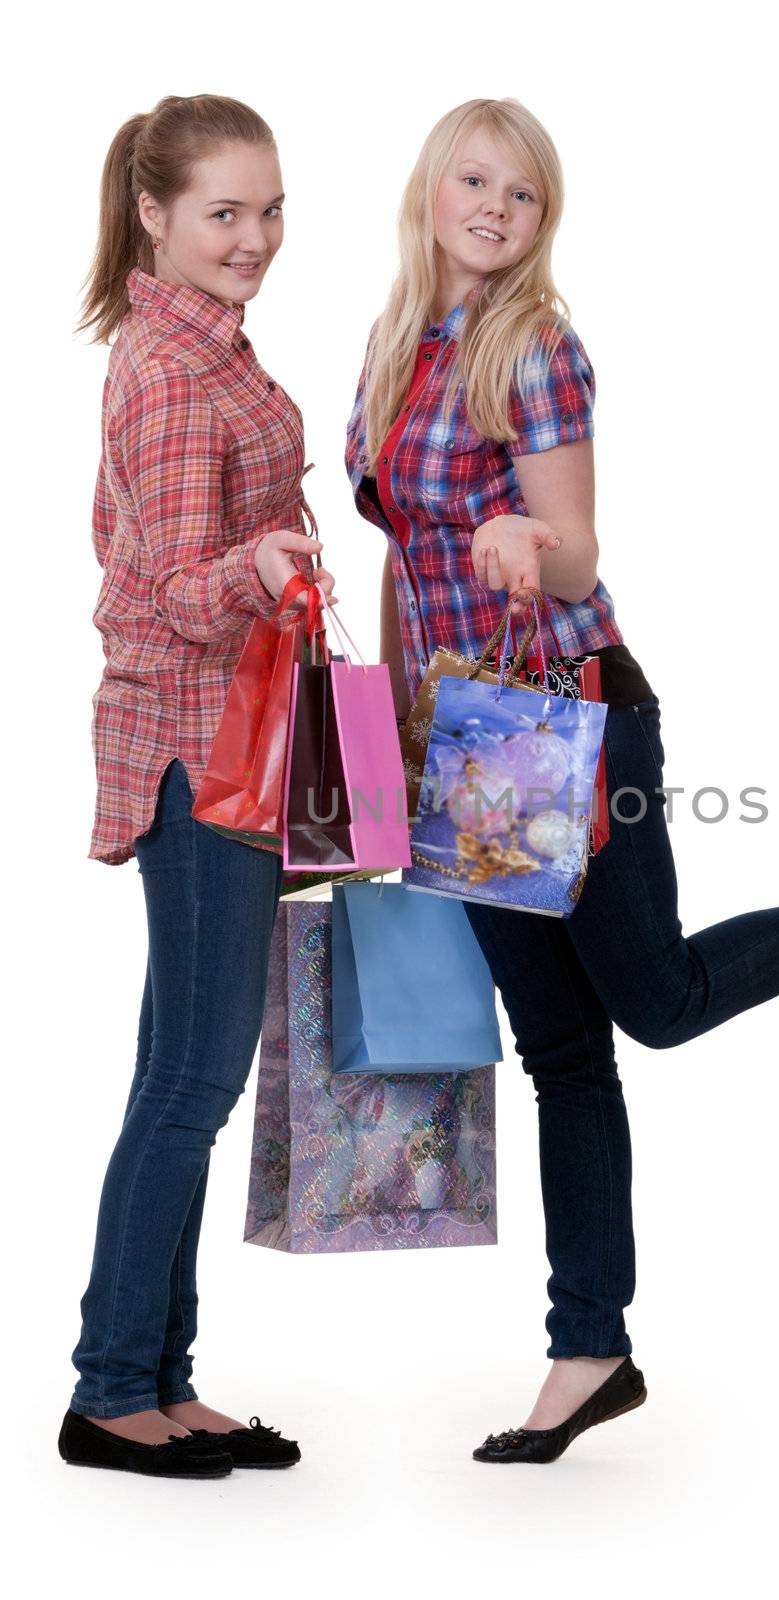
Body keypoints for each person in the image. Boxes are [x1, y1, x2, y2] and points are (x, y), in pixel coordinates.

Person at [344, 96, 779, 1466]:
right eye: (475, 180)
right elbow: (398, 555)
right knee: (562, 1054)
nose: (495, 207)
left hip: (570, 716)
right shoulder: (392, 344)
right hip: (461, 739)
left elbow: (584, 554)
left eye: (524, 193)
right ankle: (588, 1352)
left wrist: (525, 539)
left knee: (652, 1004)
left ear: (545, 220)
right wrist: (394, 732)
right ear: (430, 190)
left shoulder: (532, 347)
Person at [61, 94, 337, 1479]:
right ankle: (113, 1389)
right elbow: (169, 591)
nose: (256, 237)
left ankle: (154, 1377)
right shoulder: (170, 371)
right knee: (193, 1083)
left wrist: (278, 546)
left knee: (173, 1075)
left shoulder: (198, 343)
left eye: (271, 208)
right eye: (225, 211)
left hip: (231, 743)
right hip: (198, 755)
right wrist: (264, 564)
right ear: (155, 215)